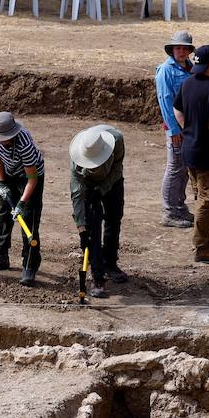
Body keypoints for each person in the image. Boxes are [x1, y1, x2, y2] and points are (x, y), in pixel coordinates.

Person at [173, 45, 209, 263]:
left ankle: (205, 240)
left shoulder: (187, 83)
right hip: (206, 153)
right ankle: (202, 248)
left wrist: (187, 128)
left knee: (200, 197)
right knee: (207, 201)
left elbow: (176, 108)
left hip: (189, 150)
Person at [0, 111, 46, 285]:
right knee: (4, 213)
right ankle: (0, 256)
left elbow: (32, 179)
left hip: (30, 177)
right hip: (7, 174)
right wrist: (2, 182)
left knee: (28, 219)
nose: (1, 140)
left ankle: (30, 265)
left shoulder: (24, 144)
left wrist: (22, 203)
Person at [69, 124, 127, 298]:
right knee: (92, 228)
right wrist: (81, 228)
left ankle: (110, 262)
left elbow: (116, 170)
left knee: (113, 217)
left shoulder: (116, 140)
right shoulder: (76, 159)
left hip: (112, 180)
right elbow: (77, 195)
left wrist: (102, 190)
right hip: (87, 185)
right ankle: (97, 276)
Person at [155, 30, 195, 228]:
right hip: (177, 129)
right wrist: (173, 130)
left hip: (189, 127)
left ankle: (179, 207)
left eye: (184, 48)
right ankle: (170, 212)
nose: (180, 51)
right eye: (177, 48)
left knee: (183, 168)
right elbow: (165, 101)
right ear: (172, 50)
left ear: (189, 51)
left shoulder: (191, 68)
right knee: (175, 168)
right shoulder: (166, 71)